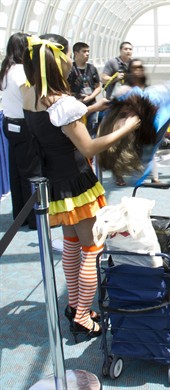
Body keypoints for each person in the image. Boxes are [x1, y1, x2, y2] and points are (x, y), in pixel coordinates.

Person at [21, 34, 140, 338]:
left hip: (56, 183)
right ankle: (83, 316)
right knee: (93, 248)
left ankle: (76, 305)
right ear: (56, 61)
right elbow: (88, 148)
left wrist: (90, 107)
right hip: (78, 183)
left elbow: (55, 123)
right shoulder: (62, 102)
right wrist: (126, 128)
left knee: (72, 246)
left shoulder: (29, 93)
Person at [1, 32, 40, 230]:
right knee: (31, 172)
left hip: (9, 124)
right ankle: (34, 218)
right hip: (24, 126)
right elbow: (29, 101)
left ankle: (20, 215)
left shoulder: (5, 69)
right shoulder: (22, 72)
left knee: (16, 171)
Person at [101, 41, 133, 186]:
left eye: (130, 49)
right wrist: (115, 77)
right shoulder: (112, 63)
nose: (128, 51)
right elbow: (103, 77)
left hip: (129, 107)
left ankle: (124, 169)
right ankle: (117, 173)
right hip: (114, 107)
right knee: (115, 140)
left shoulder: (133, 64)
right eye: (126, 49)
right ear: (120, 50)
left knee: (128, 140)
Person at [67, 42, 102, 133]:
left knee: (91, 129)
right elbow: (65, 89)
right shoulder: (70, 69)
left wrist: (90, 97)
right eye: (84, 51)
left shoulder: (92, 68)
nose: (87, 54)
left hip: (91, 105)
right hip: (75, 106)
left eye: (88, 51)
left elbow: (98, 87)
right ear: (76, 53)